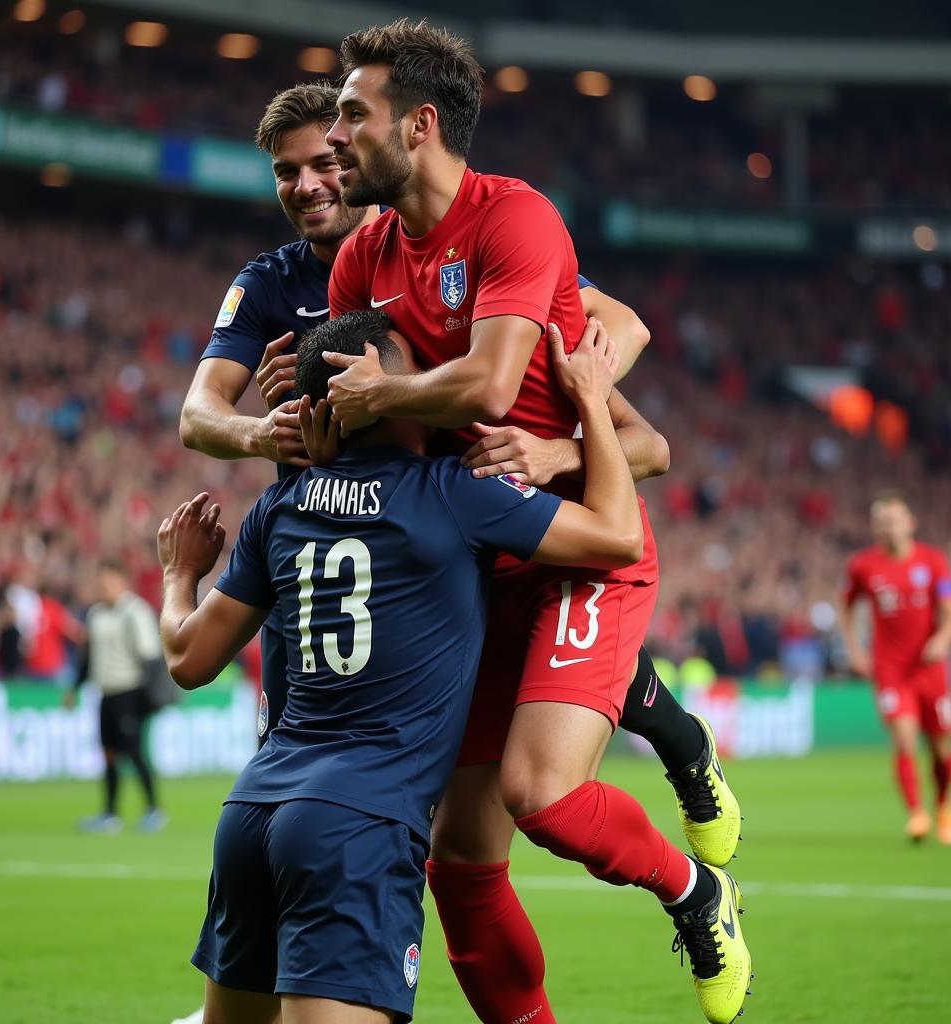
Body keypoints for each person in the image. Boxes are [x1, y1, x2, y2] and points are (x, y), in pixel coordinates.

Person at [323, 20, 747, 1024]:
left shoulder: (515, 222)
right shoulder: (360, 259)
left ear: (419, 125)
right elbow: (354, 411)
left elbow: (501, 382)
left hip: (582, 551)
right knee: (460, 861)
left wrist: (553, 448)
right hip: (473, 569)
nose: (335, 138)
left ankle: (697, 894)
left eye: (351, 114)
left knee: (541, 795)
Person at [158, 309, 648, 1024]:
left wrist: (179, 576)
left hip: (250, 817)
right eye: (416, 369)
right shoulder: (454, 490)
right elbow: (619, 535)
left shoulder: (280, 505)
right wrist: (592, 403)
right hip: (358, 824)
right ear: (377, 389)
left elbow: (186, 658)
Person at [179, 83, 655, 746]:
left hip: (441, 535)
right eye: (287, 172)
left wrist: (556, 422)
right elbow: (196, 416)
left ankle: (668, 727)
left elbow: (624, 327)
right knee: (303, 759)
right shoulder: (268, 284)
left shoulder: (465, 258)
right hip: (330, 545)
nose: (311, 184)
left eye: (326, 160)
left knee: (459, 754)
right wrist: (268, 431)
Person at [840, 490, 951, 843]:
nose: (888, 527)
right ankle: (917, 814)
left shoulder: (933, 563)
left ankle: (944, 807)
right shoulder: (863, 566)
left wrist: (942, 640)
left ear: (910, 523)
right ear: (875, 527)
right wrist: (855, 649)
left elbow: (948, 610)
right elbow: (845, 607)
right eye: (882, 522)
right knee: (904, 739)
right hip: (891, 671)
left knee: (941, 749)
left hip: (929, 670)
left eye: (894, 520)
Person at [65, 560, 167, 833]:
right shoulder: (95, 614)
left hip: (130, 692)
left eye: (106, 581)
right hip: (105, 693)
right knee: (108, 754)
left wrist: (150, 698)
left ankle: (154, 810)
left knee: (133, 753)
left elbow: (150, 657)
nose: (102, 587)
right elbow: (88, 658)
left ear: (122, 582)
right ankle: (110, 814)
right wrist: (74, 688)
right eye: (100, 582)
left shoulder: (135, 612)